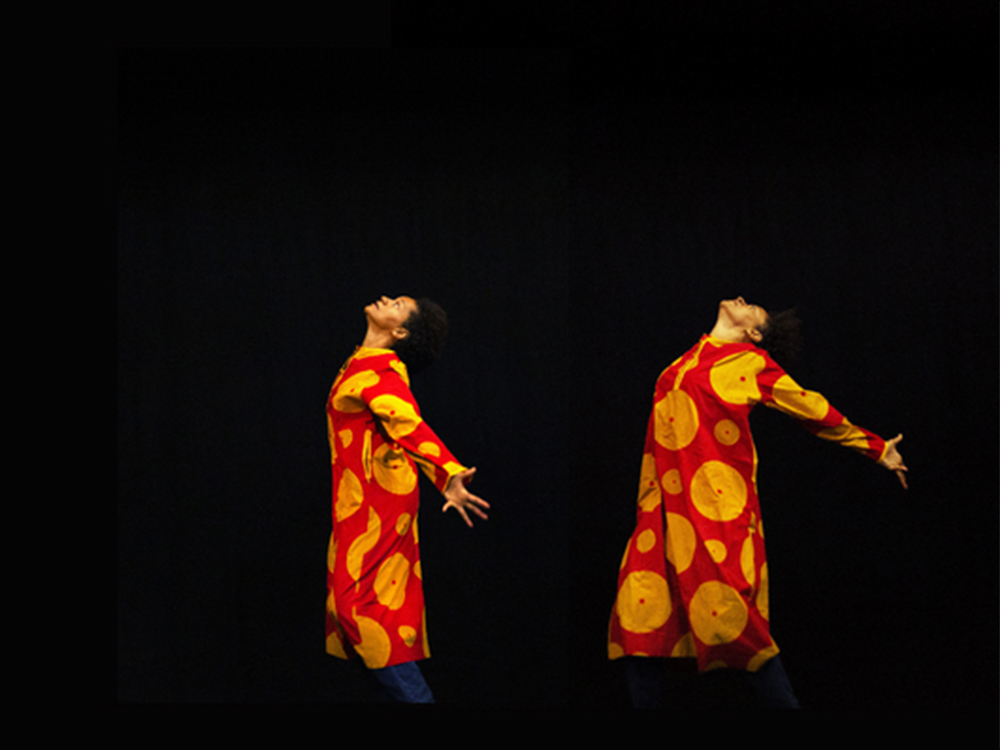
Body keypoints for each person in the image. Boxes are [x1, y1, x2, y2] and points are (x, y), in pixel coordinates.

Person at [607, 297, 907, 708]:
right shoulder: (683, 362)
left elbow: (811, 408)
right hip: (662, 515)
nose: (745, 301)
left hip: (714, 513)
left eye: (754, 310)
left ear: (753, 333)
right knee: (640, 624)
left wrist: (875, 448)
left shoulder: (750, 363)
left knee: (735, 626)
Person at [325, 295, 489, 703]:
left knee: (360, 612)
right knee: (355, 614)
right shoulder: (364, 363)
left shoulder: (381, 370)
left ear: (399, 332)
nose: (387, 299)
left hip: (378, 503)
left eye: (398, 305)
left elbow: (407, 423)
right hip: (358, 500)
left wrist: (447, 472)